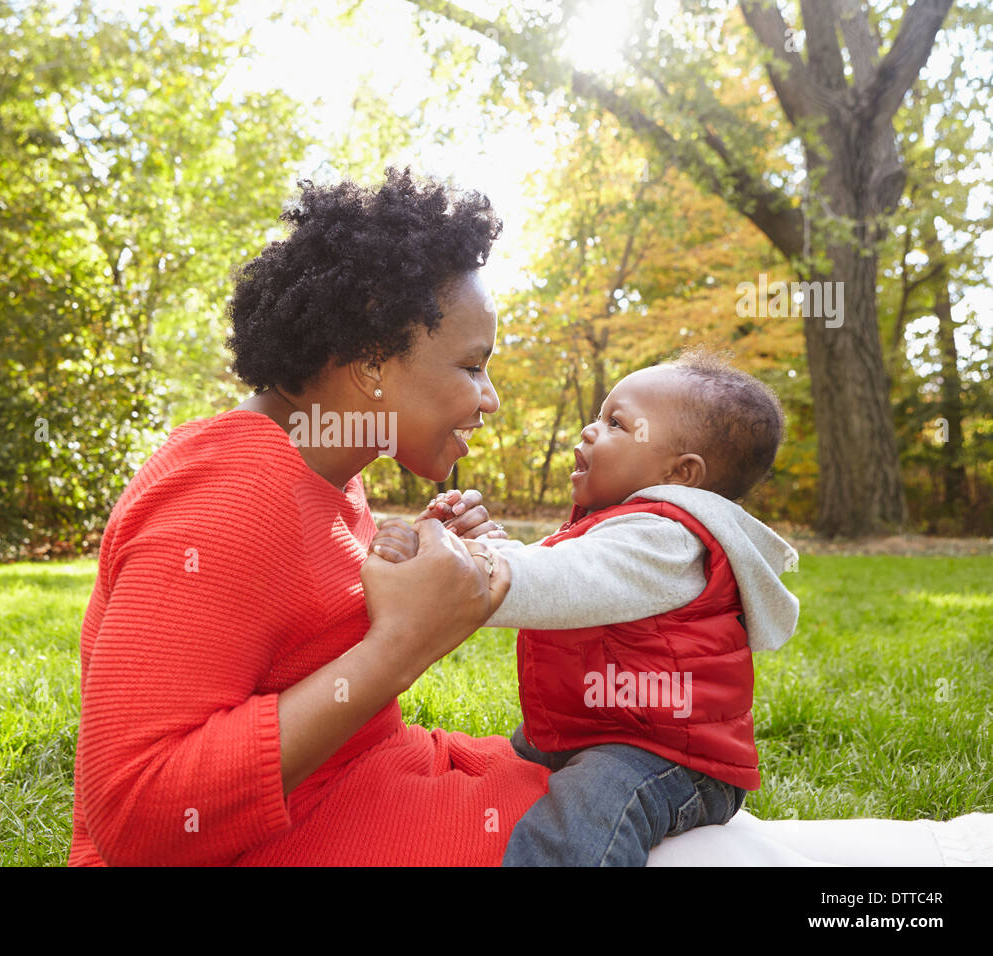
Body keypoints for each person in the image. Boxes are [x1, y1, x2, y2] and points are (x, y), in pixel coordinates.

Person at [69, 167, 993, 866]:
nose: (492, 398)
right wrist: (402, 644)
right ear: (369, 354)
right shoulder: (227, 486)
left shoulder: (327, 477)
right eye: (472, 366)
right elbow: (139, 814)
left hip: (407, 799)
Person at [372, 351, 798, 865]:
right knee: (503, 773)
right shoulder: (617, 525)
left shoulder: (668, 540)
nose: (590, 430)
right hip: (593, 732)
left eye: (615, 423)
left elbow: (561, 582)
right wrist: (472, 546)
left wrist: (469, 567)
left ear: (680, 472)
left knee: (582, 820)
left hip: (666, 757)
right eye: (598, 414)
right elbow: (562, 567)